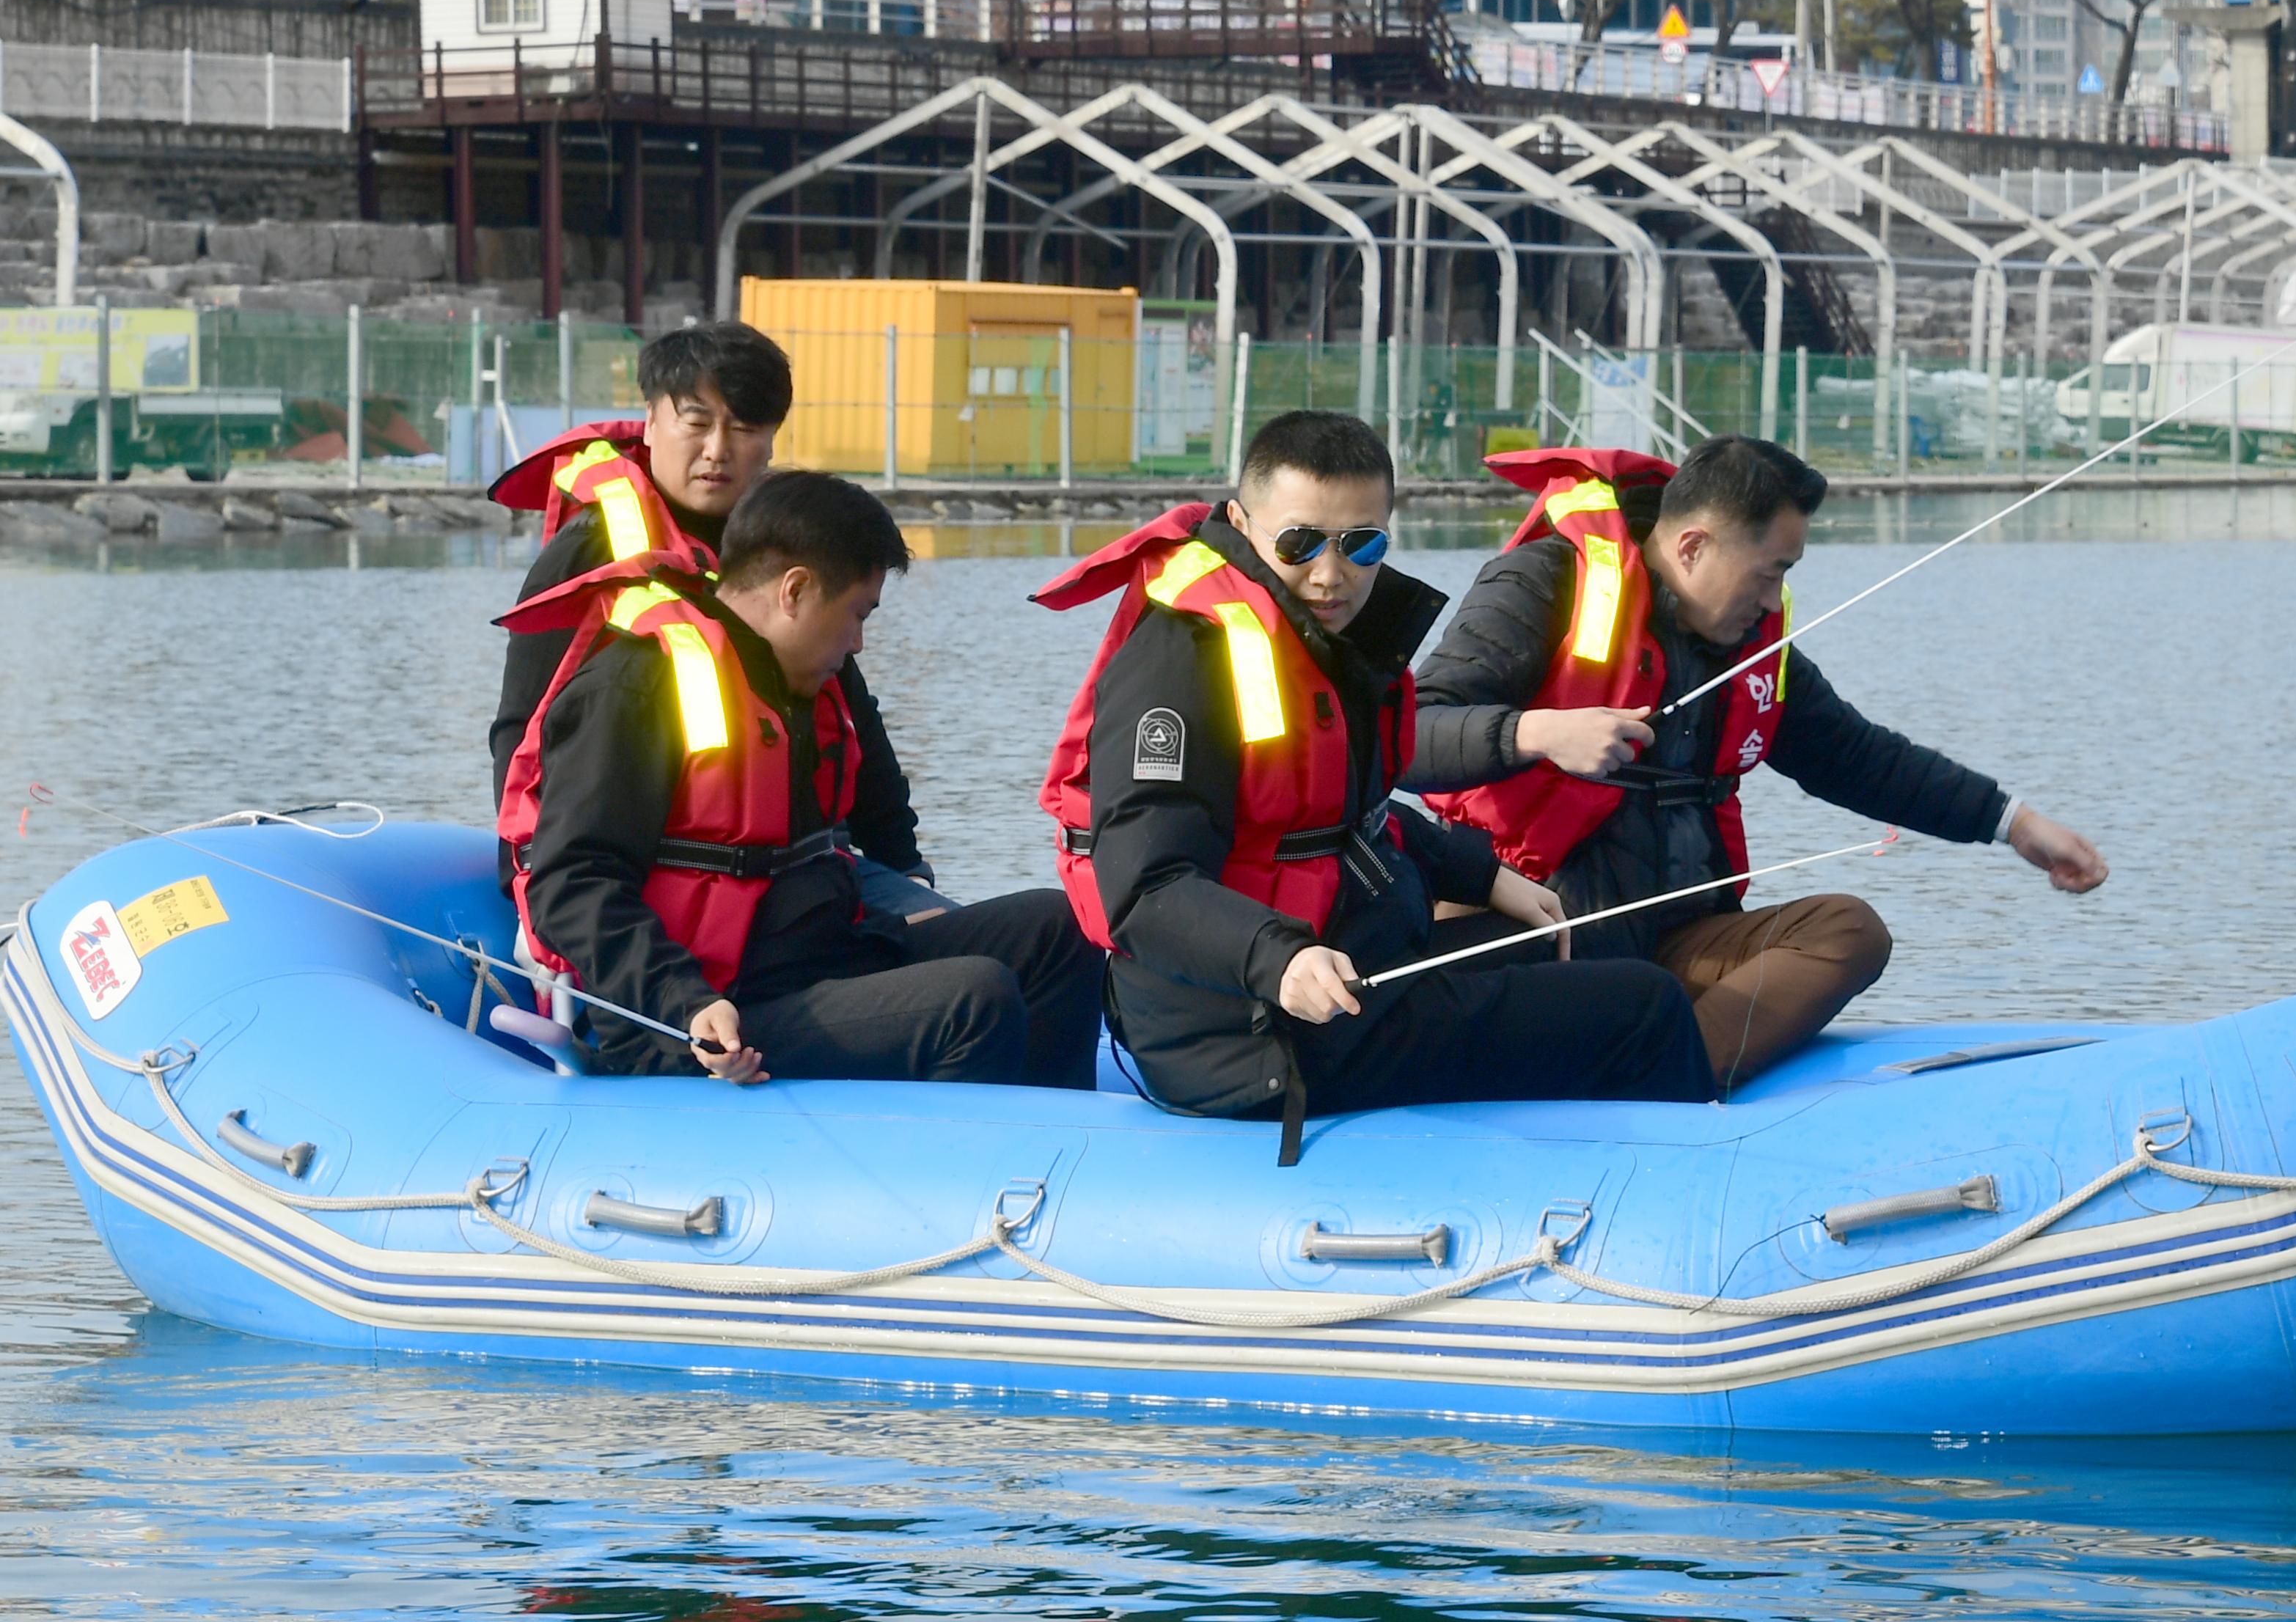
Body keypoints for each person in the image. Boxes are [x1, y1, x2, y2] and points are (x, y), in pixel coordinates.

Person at [1034, 411, 1714, 1162]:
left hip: (1347, 963)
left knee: (1555, 939)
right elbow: (1145, 886)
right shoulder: (1178, 659)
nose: (1331, 573)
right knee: (1646, 1005)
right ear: (1241, 522)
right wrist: (1280, 960)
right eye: (1299, 542)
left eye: (1362, 543)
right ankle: (1686, 1200)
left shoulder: (1321, 631)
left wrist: (1483, 874)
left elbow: (1343, 814)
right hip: (1251, 1029)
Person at [1409, 438, 2107, 1093]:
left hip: (1682, 945)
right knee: (1442, 976)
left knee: (1850, 931)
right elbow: (1406, 738)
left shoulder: (1750, 643)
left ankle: (1672, 1080)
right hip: (1547, 937)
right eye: (1770, 571)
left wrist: (2012, 823)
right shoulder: (1543, 581)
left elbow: (1855, 756)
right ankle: (1635, 1057)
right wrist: (1537, 732)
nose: (1775, 600)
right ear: (1692, 546)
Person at [497, 469, 1103, 1087]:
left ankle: (1064, 1148)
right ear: (795, 591)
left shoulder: (794, 682)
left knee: (1057, 931)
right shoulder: (635, 687)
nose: (861, 642)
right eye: (857, 614)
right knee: (974, 999)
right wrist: (683, 1001)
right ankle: (965, 1170)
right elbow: (570, 883)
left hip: (817, 962)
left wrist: (896, 898)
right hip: (703, 1016)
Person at [485, 320, 950, 922]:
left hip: (802, 868)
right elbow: (524, 728)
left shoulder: (786, 538)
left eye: (746, 428)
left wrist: (904, 863)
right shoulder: (591, 555)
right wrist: (534, 891)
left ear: (773, 440)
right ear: (652, 421)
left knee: (992, 943)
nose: (717, 450)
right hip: (666, 878)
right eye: (697, 422)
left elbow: (849, 704)